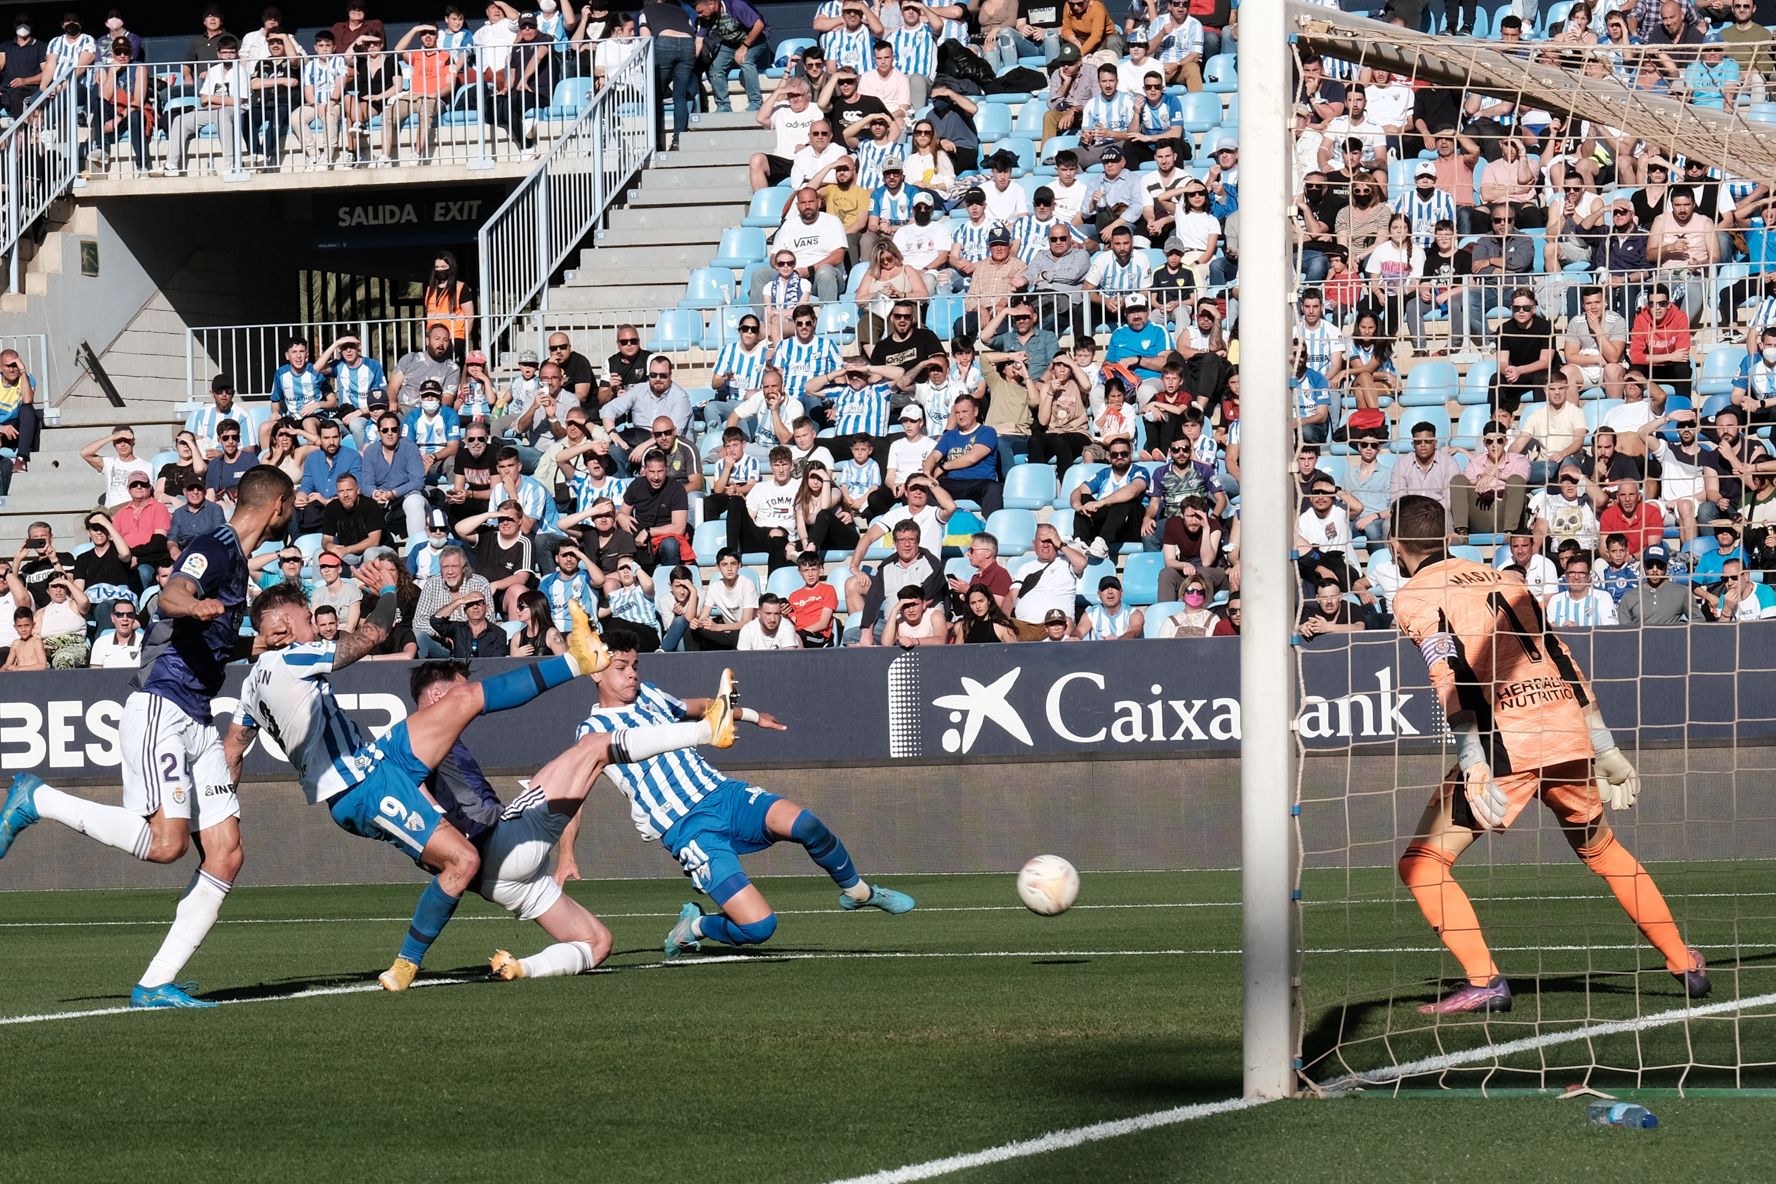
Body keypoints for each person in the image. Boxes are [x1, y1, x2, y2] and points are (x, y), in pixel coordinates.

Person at [1386, 493, 1709, 1015]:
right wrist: (1603, 744)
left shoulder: (1415, 595)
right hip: (1564, 728)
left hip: (1506, 742)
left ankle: (1484, 981)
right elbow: (1561, 657)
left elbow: (1449, 674)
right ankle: (1683, 962)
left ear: (1393, 544)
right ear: (1447, 536)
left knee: (1422, 865)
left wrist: (1472, 759)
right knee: (1602, 850)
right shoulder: (1508, 579)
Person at [0, 467, 296, 1008]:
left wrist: (258, 645)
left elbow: (207, 640)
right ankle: (37, 799)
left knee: (226, 854)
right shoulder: (217, 545)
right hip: (163, 705)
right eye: (291, 507)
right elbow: (172, 596)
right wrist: (195, 604)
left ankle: (155, 983)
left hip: (198, 718)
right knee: (167, 845)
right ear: (279, 505)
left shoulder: (236, 559)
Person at [566, 630, 914, 956]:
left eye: (635, 665)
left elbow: (700, 707)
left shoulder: (649, 695)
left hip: (723, 795)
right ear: (596, 673)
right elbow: (572, 795)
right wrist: (566, 853)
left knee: (805, 823)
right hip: (688, 829)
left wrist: (749, 715)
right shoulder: (592, 732)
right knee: (759, 927)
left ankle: (858, 892)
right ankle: (696, 926)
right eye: (621, 667)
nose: (632, 674)